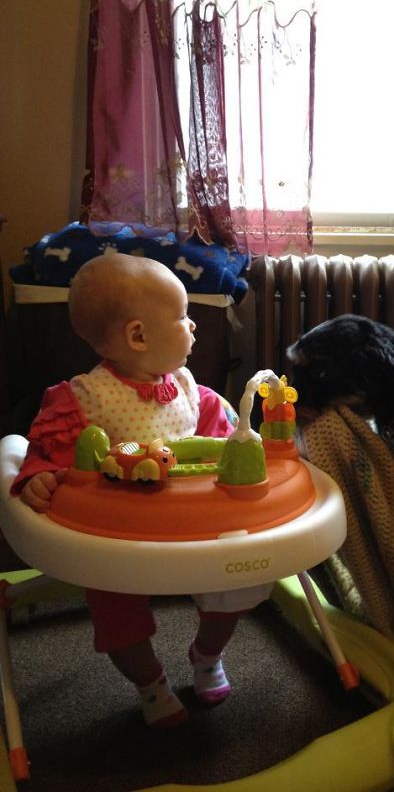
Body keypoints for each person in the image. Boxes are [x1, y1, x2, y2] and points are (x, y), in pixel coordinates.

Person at [12, 253, 273, 729]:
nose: (193, 326)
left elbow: (222, 440)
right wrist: (41, 476)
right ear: (138, 335)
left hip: (194, 526)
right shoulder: (84, 399)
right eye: (182, 317)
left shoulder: (193, 391)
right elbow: (48, 449)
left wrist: (248, 448)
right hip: (119, 535)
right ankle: (150, 683)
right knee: (117, 616)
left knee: (235, 582)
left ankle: (206, 654)